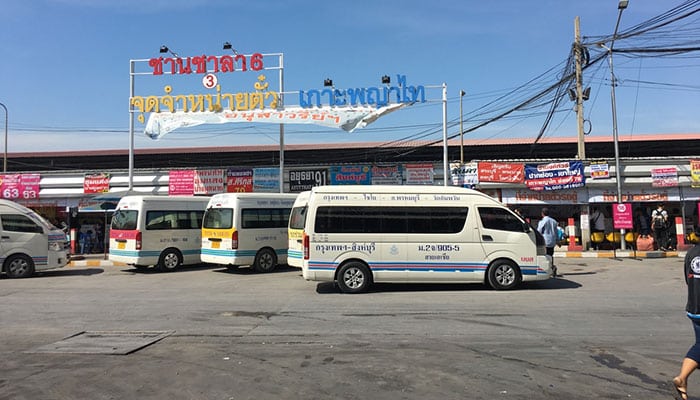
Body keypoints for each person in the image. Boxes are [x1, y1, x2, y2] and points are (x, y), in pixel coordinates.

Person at [673, 245, 700, 400]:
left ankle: (683, 383)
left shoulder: (691, 253)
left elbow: (687, 280)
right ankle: (682, 378)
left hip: (694, 307)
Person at [537, 207, 558, 277]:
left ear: (542, 214)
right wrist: (557, 241)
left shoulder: (542, 221)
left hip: (545, 241)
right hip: (552, 241)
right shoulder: (554, 221)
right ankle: (552, 268)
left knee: (545, 256)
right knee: (551, 255)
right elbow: (556, 232)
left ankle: (548, 269)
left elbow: (539, 231)